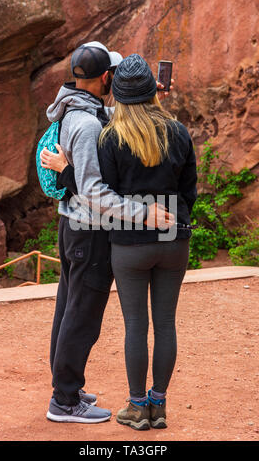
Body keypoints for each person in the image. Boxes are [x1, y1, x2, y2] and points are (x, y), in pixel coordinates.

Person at [42, 42, 172, 424]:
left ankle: (66, 389)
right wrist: (143, 214)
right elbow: (95, 193)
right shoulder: (85, 126)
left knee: (69, 309)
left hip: (73, 225)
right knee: (82, 315)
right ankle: (64, 401)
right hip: (90, 230)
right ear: (104, 77)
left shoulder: (78, 108)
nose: (114, 80)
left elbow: (113, 112)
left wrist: (148, 94)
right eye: (113, 75)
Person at [95, 53, 198, 430]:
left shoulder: (111, 137)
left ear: (118, 95)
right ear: (153, 91)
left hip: (129, 241)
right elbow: (189, 190)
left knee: (136, 325)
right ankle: (159, 404)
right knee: (166, 322)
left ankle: (138, 408)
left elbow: (105, 193)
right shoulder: (178, 130)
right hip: (173, 233)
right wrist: (173, 214)